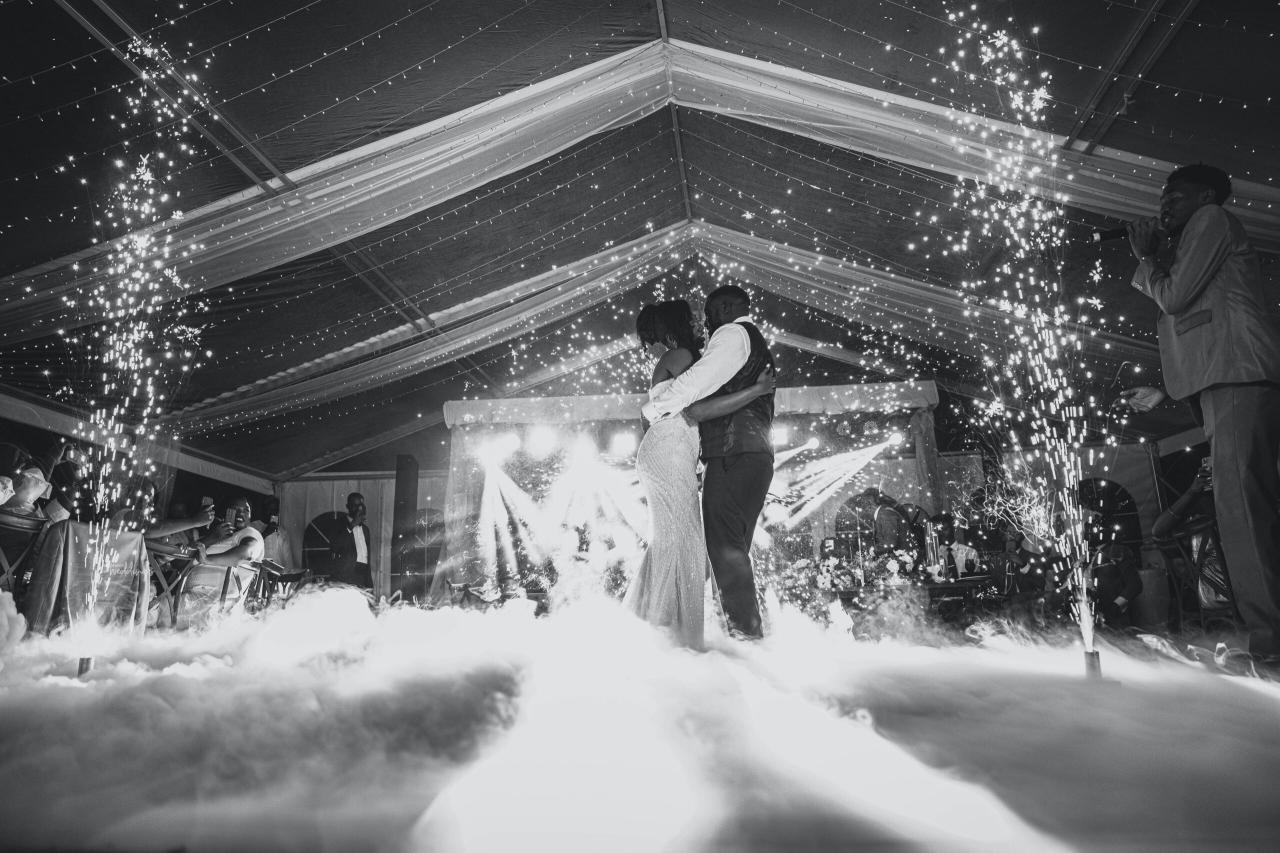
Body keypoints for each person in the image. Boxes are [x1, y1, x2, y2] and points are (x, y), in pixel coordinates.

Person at [1122, 163, 1280, 656]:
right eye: (1161, 200)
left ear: (1206, 196)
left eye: (1175, 198)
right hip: (1226, 380)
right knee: (1245, 508)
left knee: (1242, 511)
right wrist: (1166, 393)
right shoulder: (1197, 236)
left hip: (1239, 377)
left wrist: (1147, 257)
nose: (1163, 207)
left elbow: (1175, 298)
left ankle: (1270, 643)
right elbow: (1207, 322)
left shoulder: (1211, 220)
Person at [624, 300, 774, 648]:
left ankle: (663, 627)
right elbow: (699, 405)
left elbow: (652, 417)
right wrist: (755, 390)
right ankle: (671, 633)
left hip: (672, 452)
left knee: (677, 540)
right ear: (676, 326)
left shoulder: (680, 358)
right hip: (670, 451)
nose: (701, 323)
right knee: (685, 542)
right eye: (693, 319)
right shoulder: (682, 357)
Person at [332, 492, 373, 589]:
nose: (359, 509)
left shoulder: (365, 529)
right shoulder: (339, 524)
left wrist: (369, 583)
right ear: (348, 506)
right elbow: (334, 546)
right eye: (355, 505)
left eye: (361, 505)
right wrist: (352, 525)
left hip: (363, 576)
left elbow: (366, 557)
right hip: (346, 576)